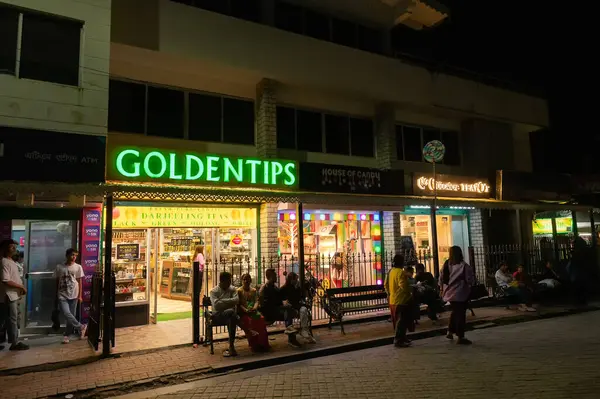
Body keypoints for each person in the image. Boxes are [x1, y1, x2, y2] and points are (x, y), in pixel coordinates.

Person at [259, 268, 303, 348]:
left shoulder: (273, 287)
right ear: (270, 276)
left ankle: (290, 332)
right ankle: (291, 337)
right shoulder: (266, 288)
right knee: (288, 311)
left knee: (289, 311)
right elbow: (266, 305)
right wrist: (283, 306)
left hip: (276, 310)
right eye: (275, 275)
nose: (276, 276)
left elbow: (281, 296)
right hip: (270, 313)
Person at [440, 246, 474, 345]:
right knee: (460, 315)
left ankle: (450, 332)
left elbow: (441, 279)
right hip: (460, 293)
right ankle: (460, 336)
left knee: (455, 312)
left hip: (449, 293)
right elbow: (470, 279)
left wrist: (442, 289)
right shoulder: (463, 266)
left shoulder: (446, 264)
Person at [0, 239, 28, 350]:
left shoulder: (11, 261)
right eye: (11, 247)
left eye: (15, 247)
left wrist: (19, 291)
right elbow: (5, 280)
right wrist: (21, 287)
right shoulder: (4, 261)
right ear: (5, 249)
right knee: (12, 319)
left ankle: (14, 341)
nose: (14, 249)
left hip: (14, 295)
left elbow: (14, 278)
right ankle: (14, 343)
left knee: (8, 319)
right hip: (9, 295)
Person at [54, 248, 86, 344]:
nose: (74, 257)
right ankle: (81, 327)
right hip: (62, 294)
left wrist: (80, 295)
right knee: (67, 313)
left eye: (75, 255)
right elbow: (57, 281)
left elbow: (80, 281)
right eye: (72, 255)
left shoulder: (78, 267)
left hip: (74, 294)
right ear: (67, 255)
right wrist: (56, 293)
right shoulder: (59, 267)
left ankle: (67, 335)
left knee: (70, 316)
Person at [209, 272, 241, 357]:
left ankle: (231, 346)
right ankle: (231, 346)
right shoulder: (213, 291)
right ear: (222, 281)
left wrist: (222, 300)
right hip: (218, 316)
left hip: (230, 316)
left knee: (231, 316)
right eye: (228, 281)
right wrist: (230, 302)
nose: (230, 283)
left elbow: (237, 300)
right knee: (232, 313)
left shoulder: (232, 289)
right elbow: (216, 306)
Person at [384, 254, 412, 348]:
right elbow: (404, 286)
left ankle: (403, 338)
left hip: (392, 300)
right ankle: (399, 339)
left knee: (397, 321)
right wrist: (408, 294)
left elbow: (385, 284)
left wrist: (390, 293)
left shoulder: (390, 271)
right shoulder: (401, 272)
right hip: (401, 300)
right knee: (402, 321)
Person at [237, 274, 270, 352]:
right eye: (244, 279)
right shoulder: (239, 291)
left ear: (250, 280)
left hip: (254, 312)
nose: (246, 281)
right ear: (242, 281)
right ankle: (254, 344)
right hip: (244, 313)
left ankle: (262, 343)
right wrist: (246, 310)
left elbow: (256, 301)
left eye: (247, 279)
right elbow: (239, 304)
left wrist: (255, 308)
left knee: (261, 319)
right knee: (249, 321)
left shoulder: (253, 290)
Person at [280, 272, 315, 344]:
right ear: (291, 279)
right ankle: (293, 335)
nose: (297, 281)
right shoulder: (284, 288)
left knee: (304, 310)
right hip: (289, 308)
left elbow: (299, 298)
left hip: (296, 306)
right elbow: (282, 299)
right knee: (290, 312)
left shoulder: (297, 287)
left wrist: (298, 289)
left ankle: (304, 329)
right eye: (295, 279)